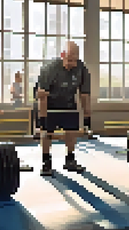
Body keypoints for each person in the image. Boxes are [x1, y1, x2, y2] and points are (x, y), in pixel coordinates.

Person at [36, 41, 91, 176]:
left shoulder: (81, 69)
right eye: (69, 60)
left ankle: (70, 160)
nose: (72, 63)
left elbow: (84, 95)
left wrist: (87, 117)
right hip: (49, 103)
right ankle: (46, 162)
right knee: (46, 134)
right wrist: (43, 120)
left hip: (68, 103)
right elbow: (42, 96)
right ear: (62, 55)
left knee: (72, 133)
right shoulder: (50, 68)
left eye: (75, 60)